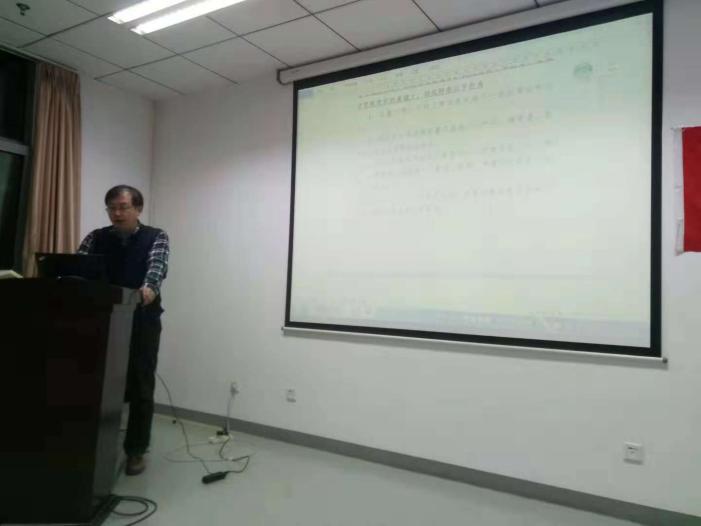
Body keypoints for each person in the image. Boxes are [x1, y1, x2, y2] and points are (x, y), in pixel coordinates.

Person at [77, 185, 169, 476]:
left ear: (138, 209)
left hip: (141, 320)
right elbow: (77, 267)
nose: (117, 213)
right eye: (111, 208)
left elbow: (156, 269)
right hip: (102, 320)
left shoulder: (156, 236)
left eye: (123, 207)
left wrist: (149, 289)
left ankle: (136, 450)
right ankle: (93, 444)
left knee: (141, 385)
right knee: (97, 383)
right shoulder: (96, 237)